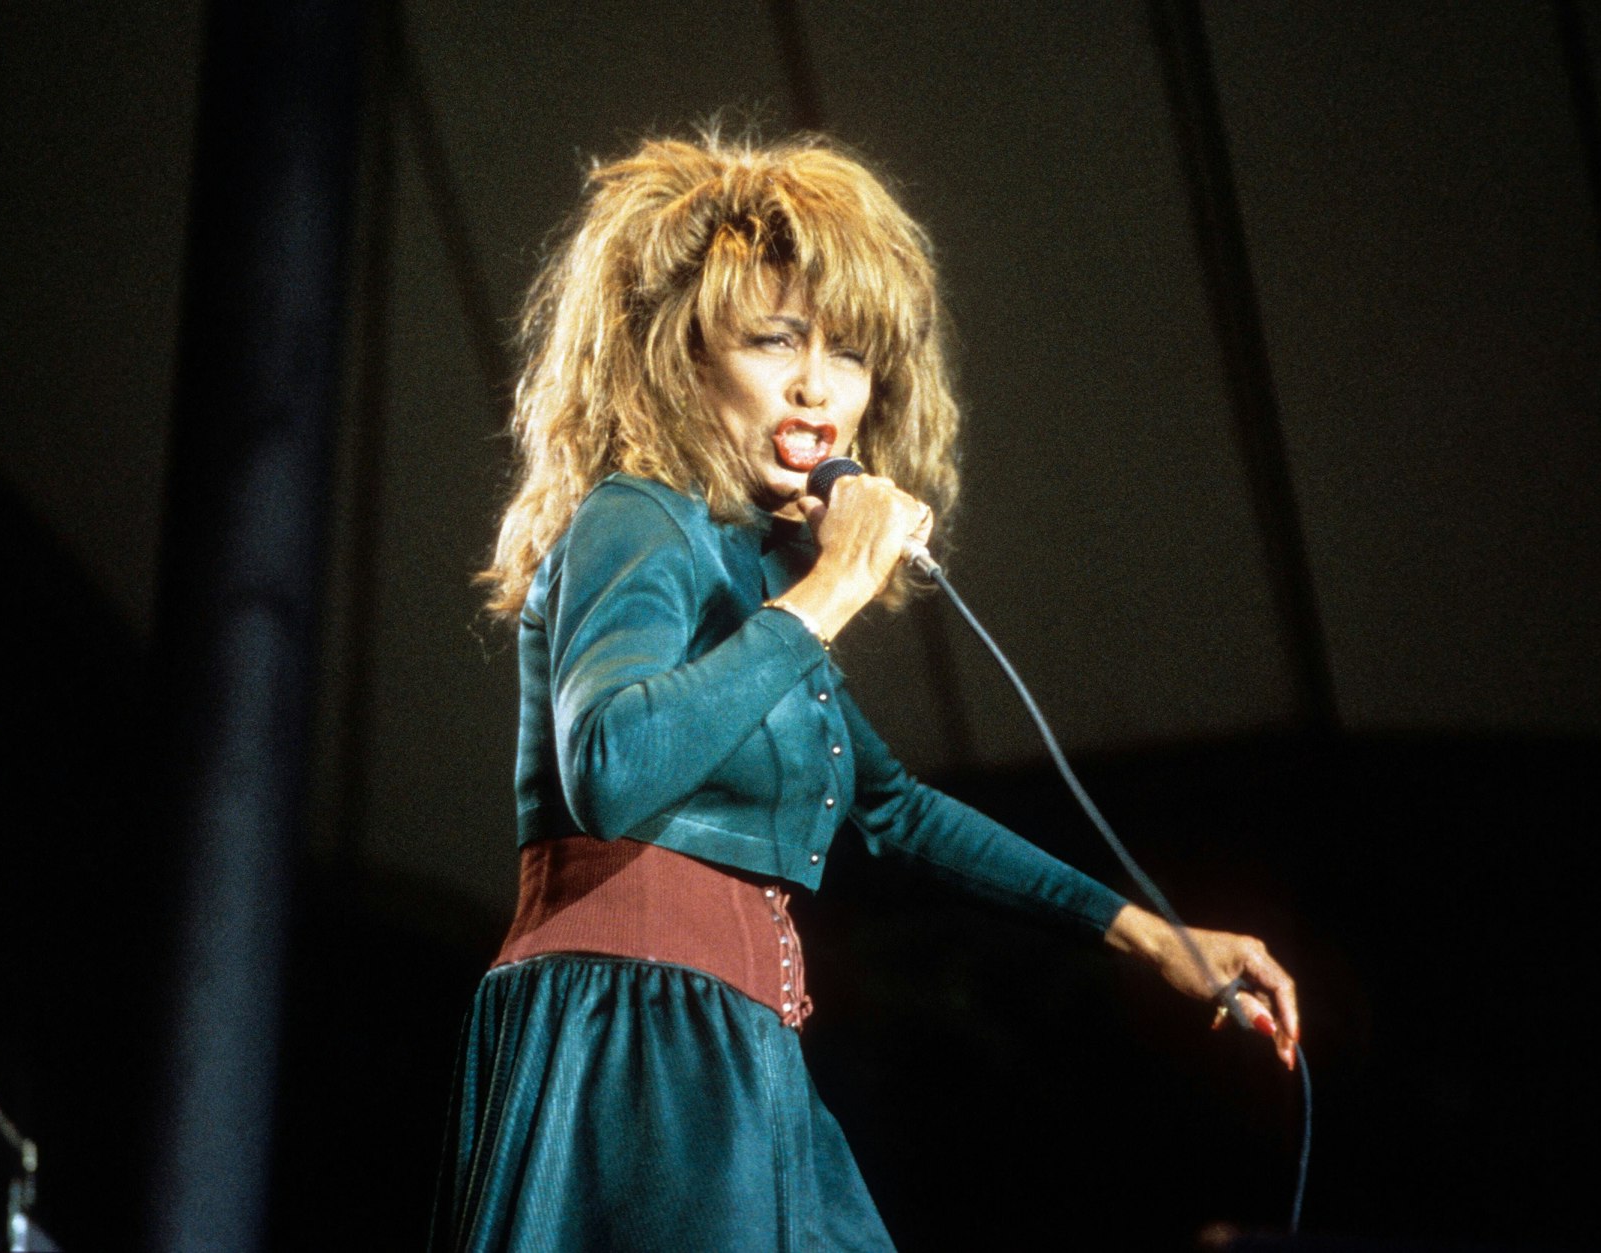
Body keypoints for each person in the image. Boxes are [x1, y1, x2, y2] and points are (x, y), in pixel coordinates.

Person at [432, 130, 1299, 1252]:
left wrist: (1148, 933)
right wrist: (838, 581)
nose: (817, 386)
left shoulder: (754, 572)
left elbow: (890, 805)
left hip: (735, 1042)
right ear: (677, 355)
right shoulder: (635, 517)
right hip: (635, 1037)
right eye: (775, 339)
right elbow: (608, 766)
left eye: (847, 354)